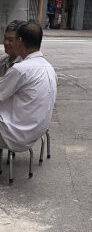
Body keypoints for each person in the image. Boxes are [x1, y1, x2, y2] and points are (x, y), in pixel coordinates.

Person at [0, 21, 57, 154]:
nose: (9, 43)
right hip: (33, 131)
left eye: (12, 40)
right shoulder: (49, 67)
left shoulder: (21, 69)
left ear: (19, 41)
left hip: (15, 134)